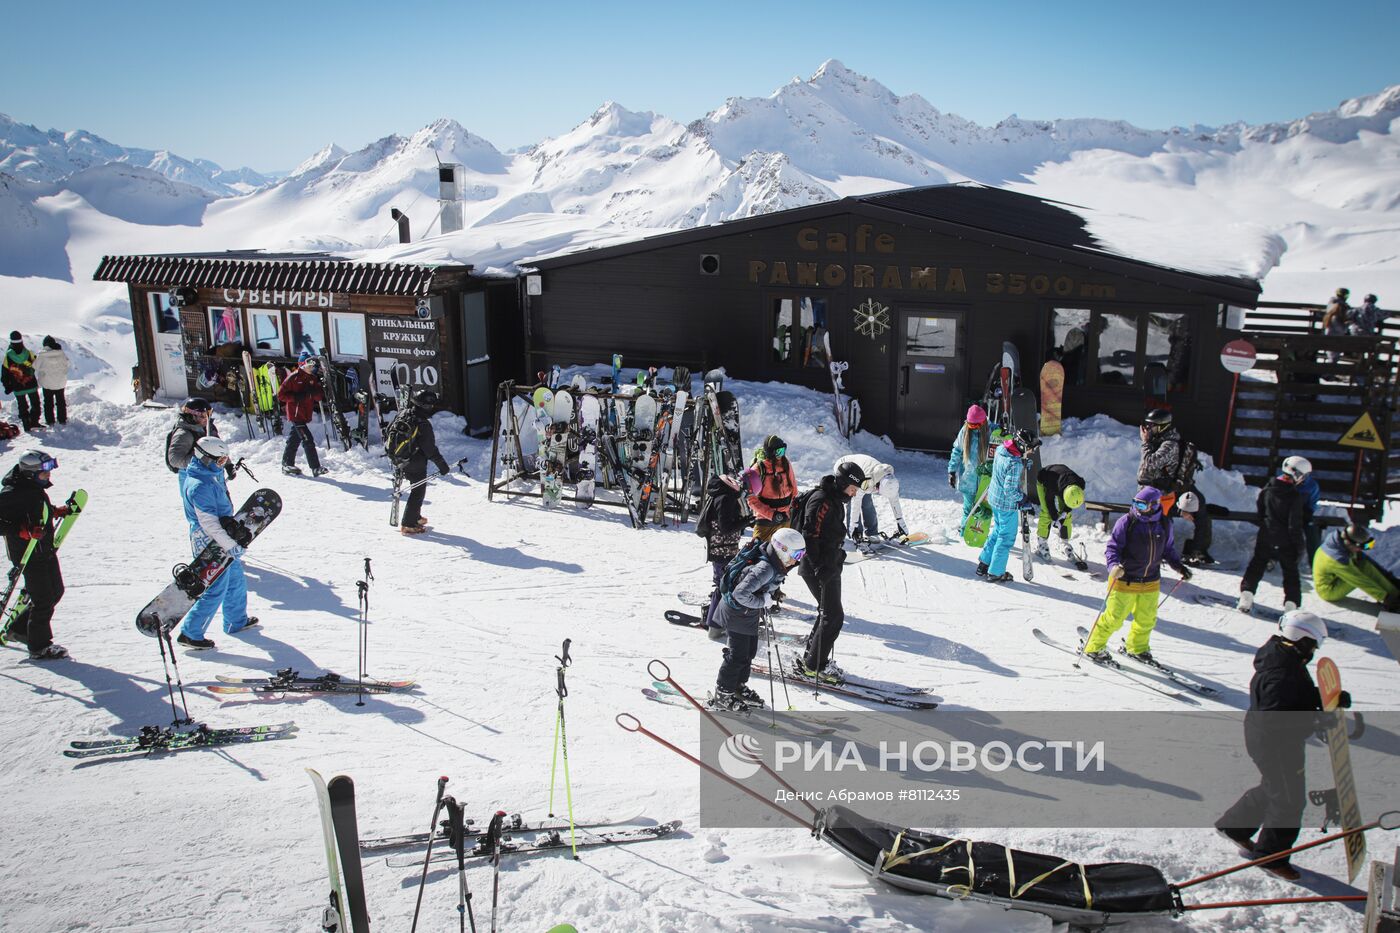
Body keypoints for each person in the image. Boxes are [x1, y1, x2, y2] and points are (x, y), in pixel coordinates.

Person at [1216, 611, 1348, 881]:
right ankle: (1270, 856)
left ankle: (1235, 826)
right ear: (1302, 640)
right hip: (1275, 743)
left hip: (1269, 738)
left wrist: (1323, 698)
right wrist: (1315, 720)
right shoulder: (1281, 672)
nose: (1314, 651)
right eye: (1313, 644)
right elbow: (1276, 717)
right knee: (1289, 800)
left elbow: (1294, 695)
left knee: (1275, 786)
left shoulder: (1283, 657)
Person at [1081, 486, 1191, 663]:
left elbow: (1168, 550)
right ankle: (1093, 647)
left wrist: (1178, 566)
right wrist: (1113, 566)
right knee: (1114, 618)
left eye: (1142, 505)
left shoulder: (1164, 524)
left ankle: (1137, 648)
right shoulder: (1127, 522)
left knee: (1147, 620)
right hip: (1124, 579)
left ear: (1154, 505)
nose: (1137, 509)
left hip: (1150, 581)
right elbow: (1112, 548)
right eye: (1135, 504)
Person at [709, 528, 806, 711]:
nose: (798, 560)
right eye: (797, 554)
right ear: (783, 549)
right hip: (736, 612)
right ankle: (723, 693)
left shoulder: (776, 563)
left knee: (749, 652)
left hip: (747, 613)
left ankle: (737, 686)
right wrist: (763, 601)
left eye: (802, 555)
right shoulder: (765, 569)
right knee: (737, 655)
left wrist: (771, 594)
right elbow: (740, 594)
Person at [176, 436, 257, 649]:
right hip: (209, 540)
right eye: (220, 461)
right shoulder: (199, 485)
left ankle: (236, 620)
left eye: (224, 460)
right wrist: (230, 545)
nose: (222, 464)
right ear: (205, 458)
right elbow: (209, 523)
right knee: (215, 586)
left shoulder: (206, 476)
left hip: (221, 536)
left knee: (235, 580)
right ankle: (190, 633)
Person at [795, 461, 865, 682]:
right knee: (833, 616)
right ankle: (815, 666)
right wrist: (819, 567)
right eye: (853, 488)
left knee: (828, 613)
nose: (854, 494)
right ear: (843, 483)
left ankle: (811, 660)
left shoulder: (835, 499)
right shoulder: (822, 500)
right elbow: (809, 535)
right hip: (818, 567)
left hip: (829, 564)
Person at [0, 450, 70, 659]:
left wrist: (54, 511)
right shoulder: (11, 493)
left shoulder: (33, 488)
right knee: (43, 599)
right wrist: (21, 531)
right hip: (27, 554)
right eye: (44, 472)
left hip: (44, 549)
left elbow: (35, 510)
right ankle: (39, 647)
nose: (48, 475)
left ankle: (20, 630)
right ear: (30, 473)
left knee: (56, 591)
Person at [1237, 456, 1310, 615]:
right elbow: (1294, 525)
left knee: (1257, 565)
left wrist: (1267, 525)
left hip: (1266, 534)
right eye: (1303, 476)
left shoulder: (1268, 488)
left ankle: (1246, 596)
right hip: (1286, 540)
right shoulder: (1294, 496)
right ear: (1297, 474)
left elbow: (1260, 511)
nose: (1303, 480)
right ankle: (1291, 606)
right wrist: (1299, 546)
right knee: (1290, 573)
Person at [695, 468, 757, 630]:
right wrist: (746, 522)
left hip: (722, 549)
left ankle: (714, 617)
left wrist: (746, 520)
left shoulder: (721, 495)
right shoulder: (725, 498)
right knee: (724, 586)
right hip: (722, 550)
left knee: (725, 584)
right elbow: (726, 527)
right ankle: (713, 622)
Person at [977, 428, 1038, 584]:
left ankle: (984, 564)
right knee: (1005, 538)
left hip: (994, 499)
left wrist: (1022, 462)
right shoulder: (1014, 464)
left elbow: (1004, 468)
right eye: (1031, 448)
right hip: (1006, 505)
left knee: (997, 532)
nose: (1032, 451)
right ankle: (995, 573)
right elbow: (1009, 489)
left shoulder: (1002, 449)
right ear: (1022, 446)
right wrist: (1022, 499)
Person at [397, 388, 451, 536]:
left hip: (400, 458)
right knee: (418, 490)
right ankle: (408, 524)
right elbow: (430, 449)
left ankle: (415, 516)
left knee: (416, 487)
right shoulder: (422, 424)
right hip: (414, 461)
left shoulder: (404, 414)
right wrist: (442, 465)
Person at [1312, 523, 1400, 611]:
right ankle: (1393, 599)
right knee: (1361, 572)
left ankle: (1395, 593)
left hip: (1336, 577)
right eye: (1362, 546)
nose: (1362, 549)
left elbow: (1369, 563)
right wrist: (1385, 598)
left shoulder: (1340, 544)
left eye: (1367, 545)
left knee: (1364, 564)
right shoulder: (1338, 559)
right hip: (1328, 590)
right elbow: (1360, 581)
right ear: (1350, 543)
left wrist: (1391, 579)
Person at [834, 453, 908, 543]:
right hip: (844, 468)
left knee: (867, 503)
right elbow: (855, 503)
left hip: (864, 473)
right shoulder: (867, 480)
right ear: (879, 485)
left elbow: (894, 500)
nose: (877, 491)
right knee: (852, 501)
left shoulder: (891, 482)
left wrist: (900, 522)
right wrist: (854, 527)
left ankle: (872, 533)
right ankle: (855, 534)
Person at [276, 356, 327, 477]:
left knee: (294, 439)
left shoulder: (312, 378)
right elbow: (281, 395)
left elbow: (319, 397)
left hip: (305, 414)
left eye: (313, 366)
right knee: (307, 439)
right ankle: (315, 468)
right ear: (303, 365)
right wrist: (295, 397)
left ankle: (287, 464)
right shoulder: (293, 377)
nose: (311, 368)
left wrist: (316, 391)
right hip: (295, 414)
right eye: (309, 366)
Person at [165, 397, 235, 481]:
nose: (207, 418)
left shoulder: (209, 428)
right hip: (193, 478)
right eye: (203, 415)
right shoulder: (184, 434)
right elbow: (175, 460)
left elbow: (219, 448)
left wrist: (228, 465)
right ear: (192, 415)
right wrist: (201, 459)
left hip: (213, 474)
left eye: (209, 414)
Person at [748, 435, 797, 544]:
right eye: (778, 452)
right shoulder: (758, 469)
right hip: (765, 522)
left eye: (783, 451)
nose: (781, 455)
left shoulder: (786, 464)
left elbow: (793, 488)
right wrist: (772, 515)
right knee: (760, 551)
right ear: (771, 452)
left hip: (784, 519)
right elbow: (751, 500)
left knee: (784, 552)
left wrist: (792, 506)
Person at [948, 404, 990, 528]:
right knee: (968, 510)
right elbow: (957, 451)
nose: (973, 428)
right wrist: (951, 471)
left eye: (975, 426)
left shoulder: (991, 431)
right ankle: (964, 531)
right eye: (970, 425)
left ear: (983, 423)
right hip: (968, 479)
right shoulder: (965, 431)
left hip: (985, 481)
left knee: (983, 511)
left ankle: (980, 532)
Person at [1033, 463, 1085, 563]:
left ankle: (1064, 542)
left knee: (1067, 515)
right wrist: (1055, 517)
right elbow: (1049, 501)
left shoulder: (1080, 484)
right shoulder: (1052, 485)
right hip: (1045, 478)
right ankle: (1042, 544)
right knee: (1047, 513)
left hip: (1064, 481)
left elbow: (1070, 504)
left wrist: (1064, 513)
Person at [3, 332, 40, 432]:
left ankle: (26, 425)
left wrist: (7, 386)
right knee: (35, 403)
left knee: (22, 405)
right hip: (30, 383)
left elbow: (5, 373)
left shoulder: (8, 356)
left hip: (17, 385)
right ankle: (34, 422)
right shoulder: (29, 353)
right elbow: (36, 365)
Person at [33, 336, 69, 427]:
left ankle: (50, 420)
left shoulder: (42, 355)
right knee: (61, 402)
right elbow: (67, 364)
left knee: (48, 402)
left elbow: (35, 366)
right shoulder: (61, 353)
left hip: (47, 383)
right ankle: (62, 419)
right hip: (60, 382)